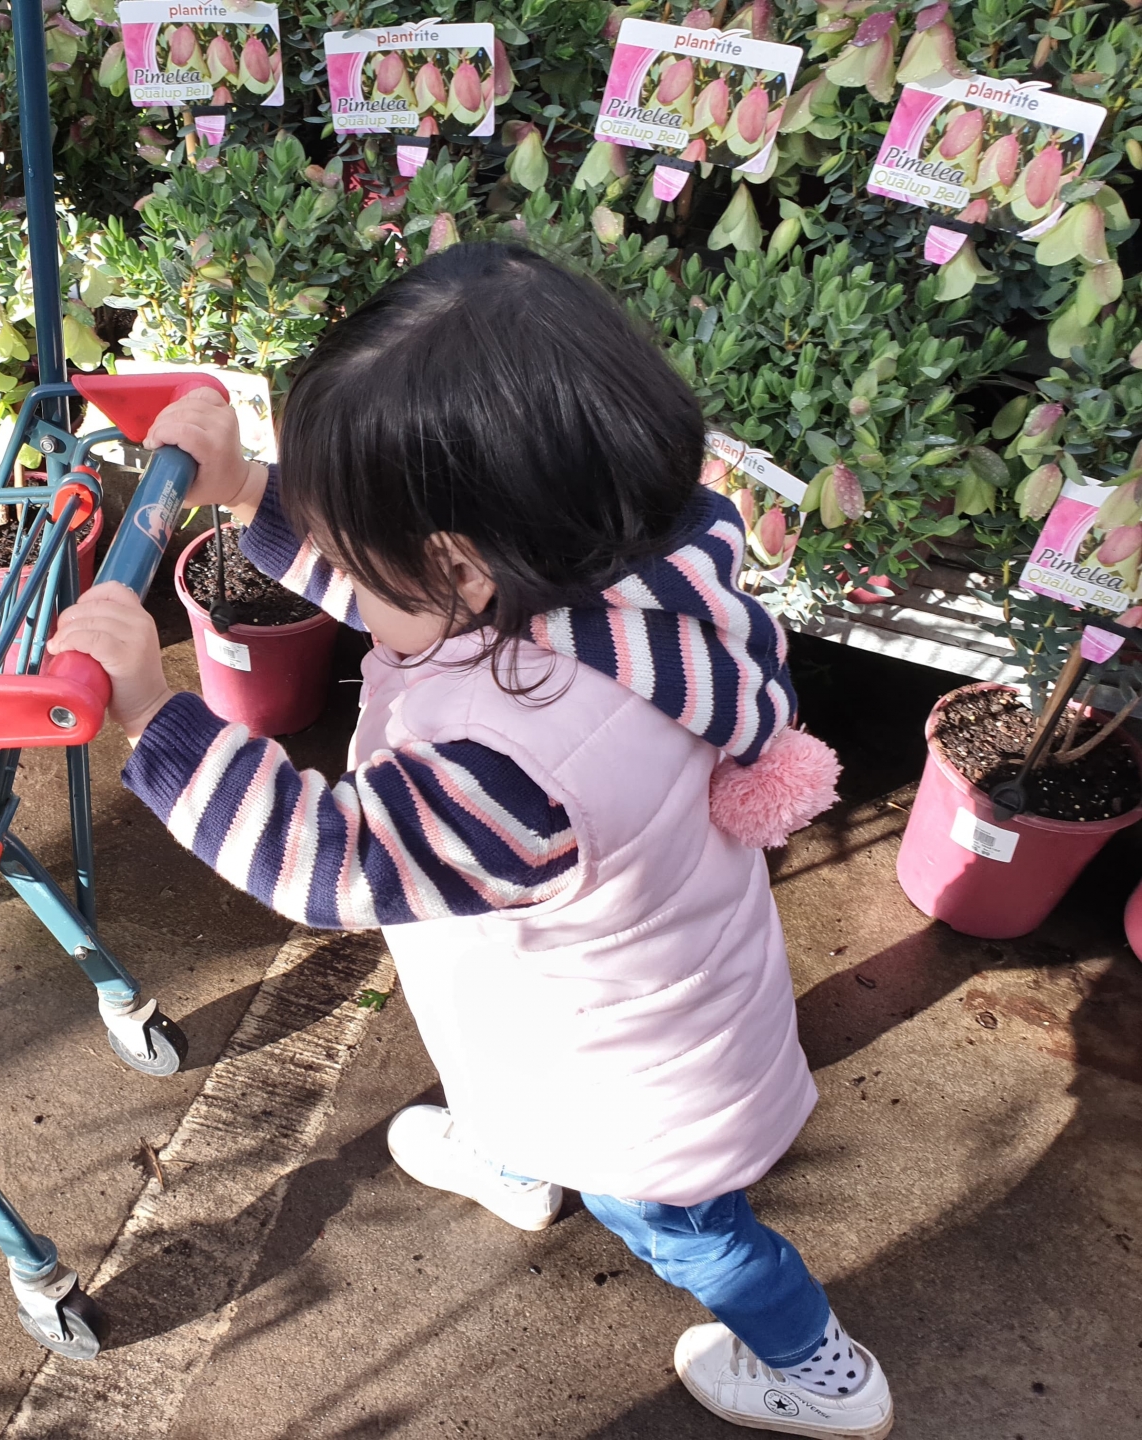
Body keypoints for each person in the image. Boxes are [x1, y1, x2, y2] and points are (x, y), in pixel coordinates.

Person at [47, 242, 888, 1438]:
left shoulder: (525, 765)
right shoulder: (620, 569)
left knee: (692, 1235)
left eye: (340, 534)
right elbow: (402, 601)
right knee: (507, 1052)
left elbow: (328, 859)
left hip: (642, 1101)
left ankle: (818, 1371)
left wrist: (150, 716)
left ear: (461, 566)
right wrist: (243, 490)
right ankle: (513, 1146)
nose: (330, 553)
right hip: (597, 1004)